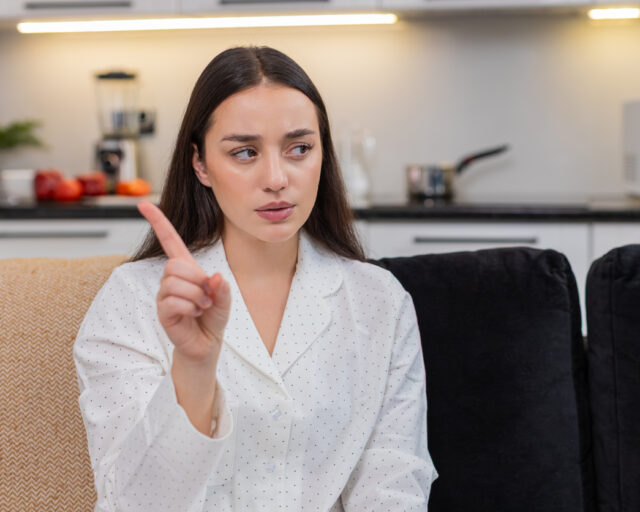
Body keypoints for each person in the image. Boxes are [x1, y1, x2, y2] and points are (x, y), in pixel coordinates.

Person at [74, 46, 437, 512]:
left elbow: (393, 486)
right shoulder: (131, 301)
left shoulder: (379, 301)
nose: (276, 178)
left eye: (299, 148)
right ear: (200, 164)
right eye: (244, 152)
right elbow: (136, 503)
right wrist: (193, 367)